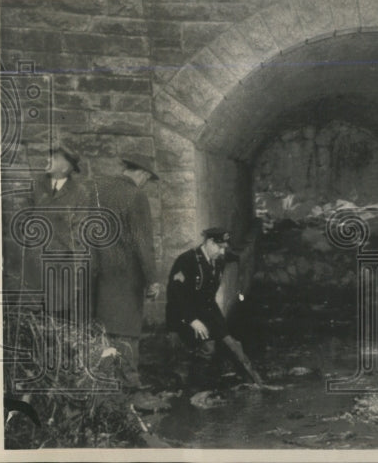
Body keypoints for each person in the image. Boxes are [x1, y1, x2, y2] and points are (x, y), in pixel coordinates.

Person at [92, 154, 161, 390]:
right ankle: (130, 391)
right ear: (142, 174)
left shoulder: (96, 188)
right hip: (124, 280)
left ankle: (102, 388)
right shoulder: (136, 196)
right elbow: (142, 243)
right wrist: (152, 280)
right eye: (147, 179)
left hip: (94, 277)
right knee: (126, 334)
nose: (145, 184)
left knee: (100, 334)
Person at [166, 227, 263, 389]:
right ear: (209, 242)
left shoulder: (219, 259)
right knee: (207, 347)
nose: (222, 252)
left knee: (233, 346)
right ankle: (196, 389)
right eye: (220, 247)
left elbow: (235, 257)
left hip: (209, 312)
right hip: (184, 316)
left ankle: (257, 384)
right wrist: (192, 320)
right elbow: (177, 296)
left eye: (224, 248)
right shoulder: (187, 260)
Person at [24, 146, 94, 317]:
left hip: (61, 267)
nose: (48, 160)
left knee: (58, 316)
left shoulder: (80, 193)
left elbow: (80, 231)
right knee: (32, 317)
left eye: (53, 158)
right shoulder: (36, 186)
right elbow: (24, 217)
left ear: (65, 167)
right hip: (34, 265)